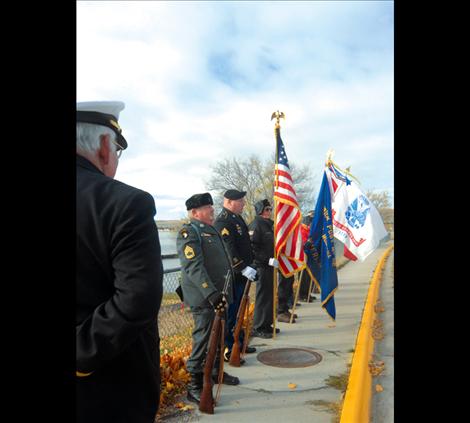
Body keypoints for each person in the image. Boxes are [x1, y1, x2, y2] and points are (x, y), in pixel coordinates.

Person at [76, 101, 164, 423]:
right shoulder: (127, 204)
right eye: (117, 149)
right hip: (108, 389)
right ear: (103, 147)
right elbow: (136, 299)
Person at [176, 192, 240, 405]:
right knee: (203, 339)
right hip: (205, 298)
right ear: (195, 212)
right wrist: (211, 293)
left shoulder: (211, 230)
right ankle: (194, 385)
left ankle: (215, 374)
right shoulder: (189, 232)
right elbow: (194, 267)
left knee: (220, 336)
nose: (212, 210)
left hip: (220, 295)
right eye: (207, 207)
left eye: (211, 206)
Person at [214, 189, 257, 362]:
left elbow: (246, 245)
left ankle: (239, 341)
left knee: (240, 311)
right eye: (240, 201)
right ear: (229, 202)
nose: (243, 203)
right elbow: (228, 248)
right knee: (232, 314)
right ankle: (229, 348)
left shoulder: (237, 219)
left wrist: (251, 264)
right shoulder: (223, 221)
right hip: (233, 276)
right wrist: (242, 268)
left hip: (243, 274)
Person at [248, 199, 282, 338]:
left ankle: (267, 324)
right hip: (262, 266)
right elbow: (252, 248)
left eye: (270, 209)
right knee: (262, 297)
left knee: (269, 296)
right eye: (266, 209)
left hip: (270, 266)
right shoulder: (256, 225)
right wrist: (266, 259)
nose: (269, 212)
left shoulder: (269, 225)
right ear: (260, 210)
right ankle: (258, 327)